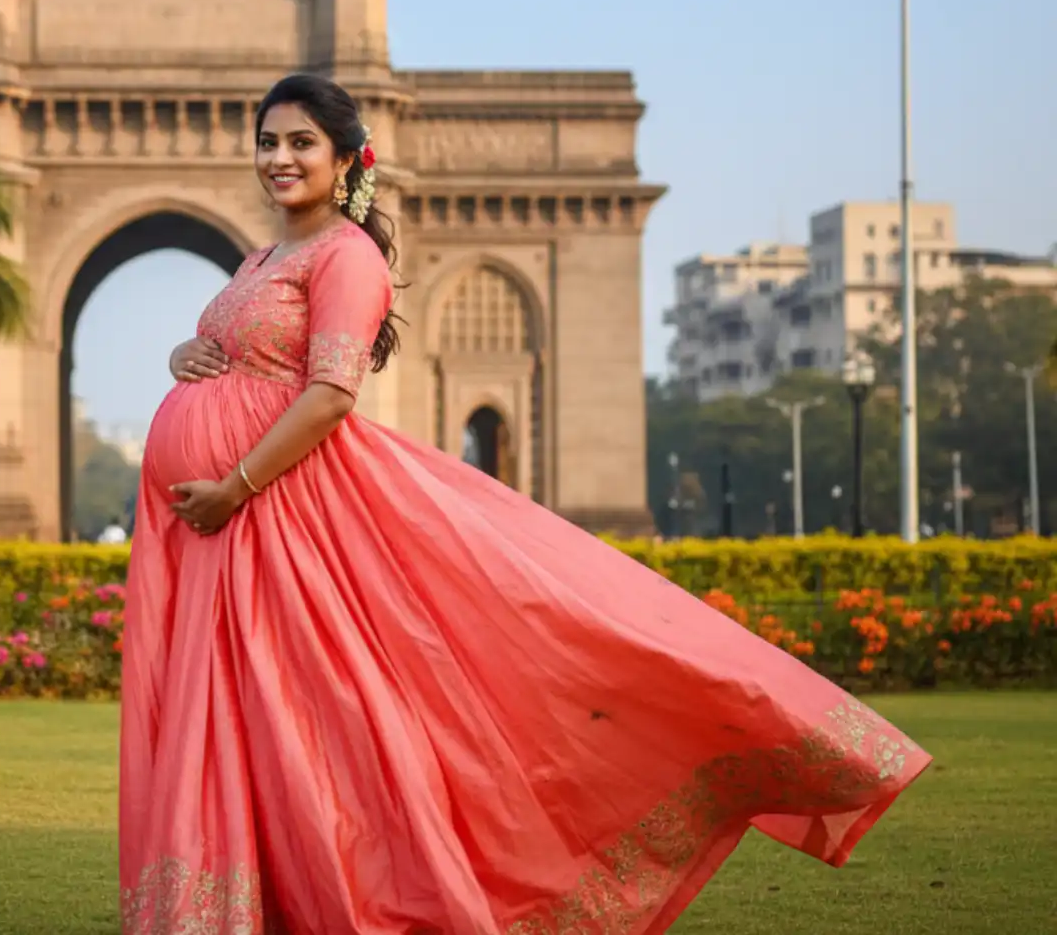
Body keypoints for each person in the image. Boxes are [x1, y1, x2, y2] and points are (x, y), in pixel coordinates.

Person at [118, 74, 930, 935]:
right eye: (267, 142)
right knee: (250, 721)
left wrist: (235, 483)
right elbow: (237, 349)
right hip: (225, 532)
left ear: (350, 159)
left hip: (278, 519)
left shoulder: (346, 256)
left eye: (300, 143)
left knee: (322, 714)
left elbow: (331, 394)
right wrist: (187, 354)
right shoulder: (260, 259)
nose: (279, 158)